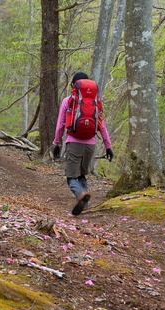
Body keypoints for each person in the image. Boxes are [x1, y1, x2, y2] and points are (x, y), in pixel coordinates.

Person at [52, 72, 114, 216]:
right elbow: (102, 126)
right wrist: (108, 146)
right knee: (81, 175)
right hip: (90, 145)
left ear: (74, 85)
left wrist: (56, 143)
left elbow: (60, 124)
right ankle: (85, 203)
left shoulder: (68, 101)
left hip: (73, 142)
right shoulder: (96, 102)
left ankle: (81, 194)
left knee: (71, 177)